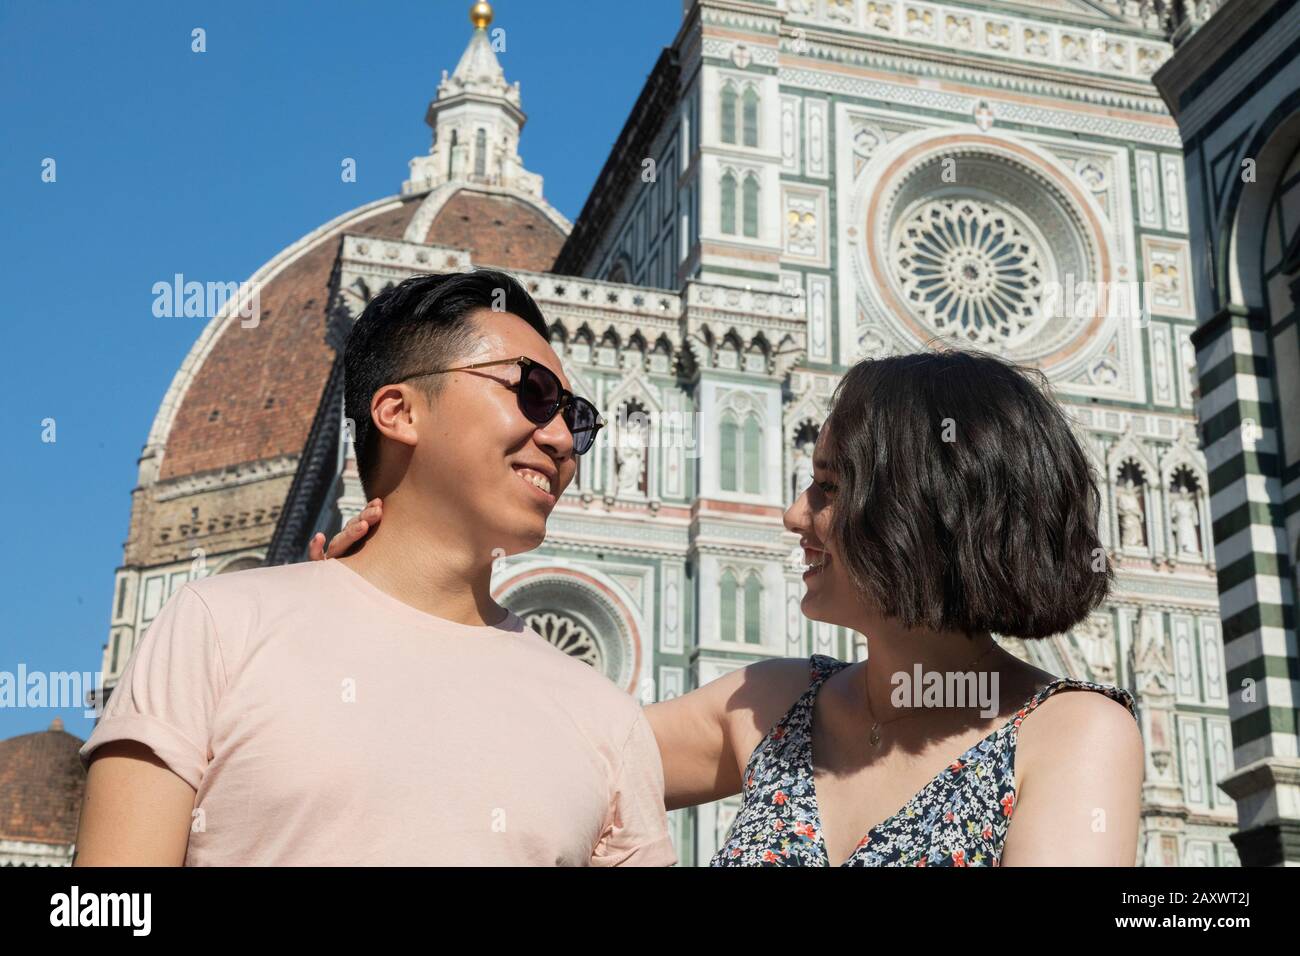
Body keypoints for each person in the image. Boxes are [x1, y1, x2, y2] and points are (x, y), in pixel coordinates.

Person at [325, 350, 1144, 866]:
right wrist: (376, 605)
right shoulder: (771, 707)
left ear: (922, 512)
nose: (793, 515)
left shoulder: (1069, 733)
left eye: (825, 491)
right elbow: (516, 759)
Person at [75, 270, 676, 866]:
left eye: (576, 417)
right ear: (398, 411)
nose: (563, 440)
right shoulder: (219, 628)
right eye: (534, 394)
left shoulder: (606, 721)